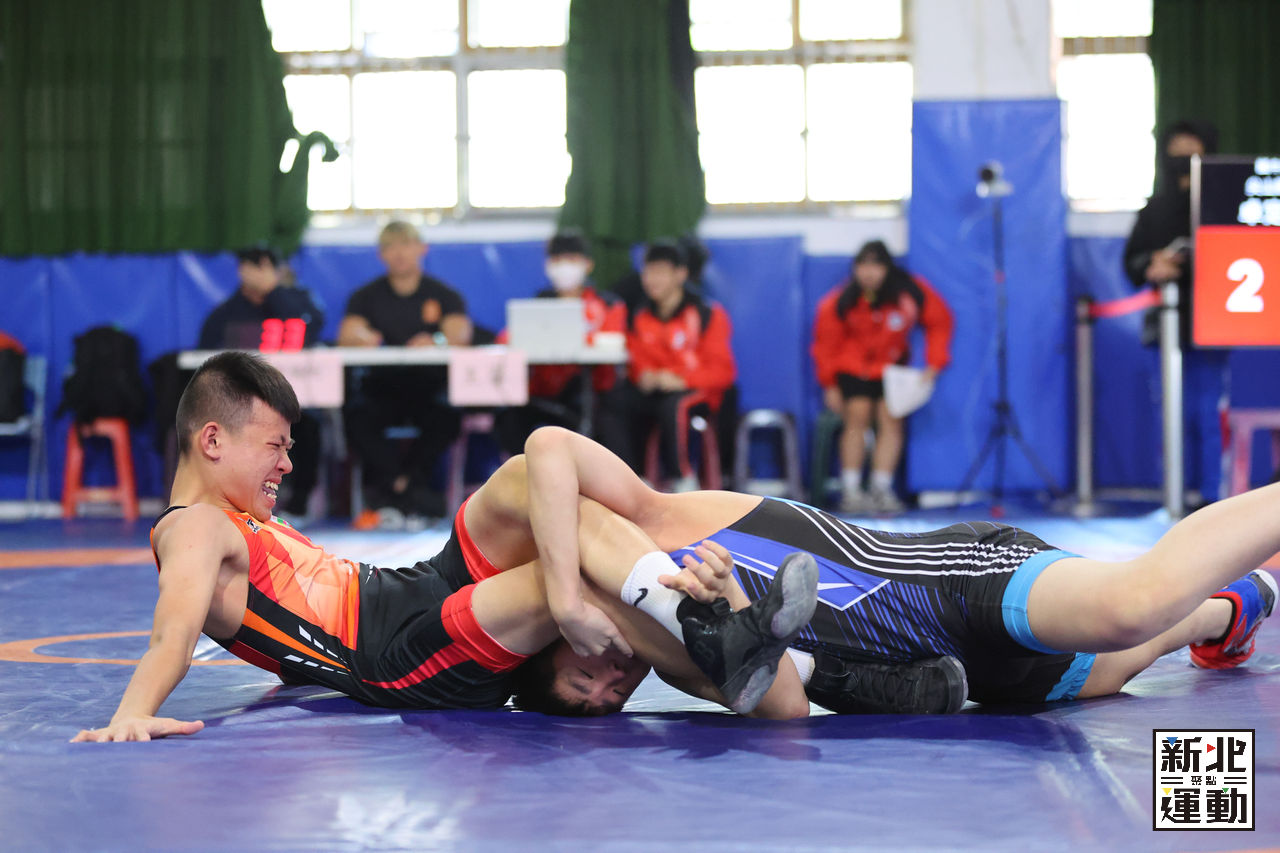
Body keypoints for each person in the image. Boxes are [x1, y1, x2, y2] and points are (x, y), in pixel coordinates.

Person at [70, 353, 822, 742]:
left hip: (413, 588)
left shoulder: (234, 520)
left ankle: (720, 620)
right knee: (565, 579)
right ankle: (749, 672)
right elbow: (173, 633)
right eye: (276, 446)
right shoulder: (193, 527)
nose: (287, 464)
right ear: (211, 440)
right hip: (394, 653)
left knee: (533, 481)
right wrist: (134, 712)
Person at [500, 427, 1277, 717]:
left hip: (960, 580)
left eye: (583, 678)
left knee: (1131, 605)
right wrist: (735, 609)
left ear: (556, 643)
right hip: (984, 682)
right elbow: (785, 707)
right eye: (607, 701)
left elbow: (549, 448)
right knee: (1139, 647)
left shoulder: (658, 522)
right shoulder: (686, 651)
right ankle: (1237, 607)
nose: (611, 682)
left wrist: (564, 596)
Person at [338, 221, 473, 528]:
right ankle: (407, 489)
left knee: (446, 416)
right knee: (355, 416)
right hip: (381, 388)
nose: (399, 253)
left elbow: (460, 335)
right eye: (391, 247)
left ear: (422, 249)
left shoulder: (443, 295)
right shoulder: (365, 296)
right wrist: (362, 337)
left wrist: (436, 340)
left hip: (429, 388)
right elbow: (348, 333)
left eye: (406, 245)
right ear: (381, 254)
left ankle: (399, 491)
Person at [1123, 119, 1227, 504]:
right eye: (1177, 151)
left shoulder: (1220, 204)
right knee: (1172, 415)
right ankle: (1174, 496)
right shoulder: (1155, 209)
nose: (1183, 159)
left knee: (1209, 414)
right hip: (1166, 326)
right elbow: (1131, 262)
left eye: (1191, 150)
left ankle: (1213, 497)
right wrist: (1153, 264)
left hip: (1212, 326)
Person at [811, 240, 953, 514]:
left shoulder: (909, 293)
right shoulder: (841, 301)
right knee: (857, 417)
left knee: (891, 421)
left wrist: (935, 363)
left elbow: (940, 321)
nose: (869, 272)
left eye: (876, 265)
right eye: (863, 265)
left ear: (887, 268)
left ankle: (881, 488)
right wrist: (829, 383)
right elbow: (825, 343)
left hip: (892, 372)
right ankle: (851, 490)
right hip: (854, 371)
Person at [197, 246, 325, 517]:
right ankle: (232, 500)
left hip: (295, 399)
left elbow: (310, 331)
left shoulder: (298, 303)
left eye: (266, 268)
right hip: (239, 403)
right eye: (253, 267)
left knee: (307, 424)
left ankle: (298, 504)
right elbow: (207, 357)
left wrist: (273, 291)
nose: (258, 274)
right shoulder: (225, 314)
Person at [600, 240, 737, 492]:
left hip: (697, 391)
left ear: (680, 274)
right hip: (657, 392)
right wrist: (644, 376)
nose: (652, 280)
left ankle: (683, 481)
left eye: (660, 272)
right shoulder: (640, 316)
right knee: (615, 401)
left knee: (675, 406)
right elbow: (637, 361)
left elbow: (723, 372)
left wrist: (680, 380)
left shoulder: (708, 314)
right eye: (648, 272)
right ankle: (632, 479)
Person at [494, 230, 626, 456]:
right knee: (508, 417)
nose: (564, 267)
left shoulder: (608, 305)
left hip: (586, 393)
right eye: (557, 260)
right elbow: (506, 338)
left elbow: (612, 343)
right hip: (541, 391)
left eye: (571, 259)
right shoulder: (538, 305)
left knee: (609, 415)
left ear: (588, 264)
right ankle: (520, 473)